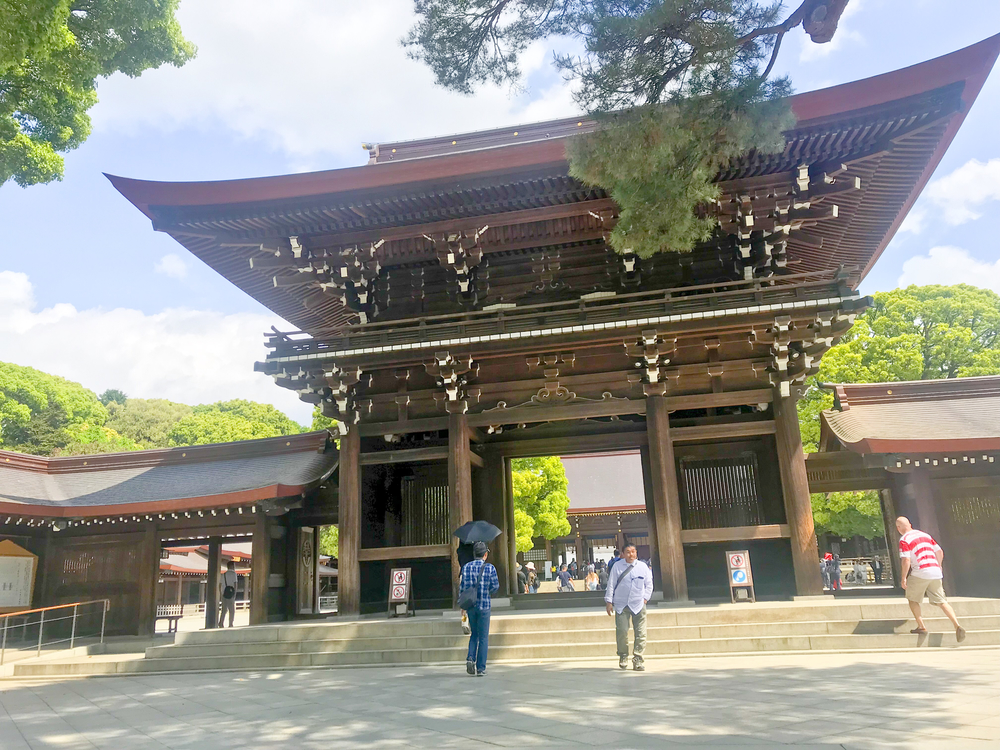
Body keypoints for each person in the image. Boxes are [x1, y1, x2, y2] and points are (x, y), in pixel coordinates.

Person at [896, 516, 966, 642]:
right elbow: (940, 552)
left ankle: (921, 626)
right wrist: (938, 565)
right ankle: (957, 625)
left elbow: (906, 560)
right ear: (910, 524)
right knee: (942, 601)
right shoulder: (925, 535)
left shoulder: (904, 540)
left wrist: (903, 578)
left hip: (920, 572)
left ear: (898, 528)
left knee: (912, 598)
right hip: (935, 571)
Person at [605, 544, 653, 671]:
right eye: (628, 552)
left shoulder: (643, 567)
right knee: (622, 631)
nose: (631, 554)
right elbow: (611, 584)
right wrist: (609, 601)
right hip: (621, 604)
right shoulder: (617, 566)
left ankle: (638, 658)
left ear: (636, 553)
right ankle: (623, 655)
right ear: (622, 554)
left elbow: (649, 584)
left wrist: (645, 598)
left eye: (633, 552)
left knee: (641, 632)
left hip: (638, 603)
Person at [459, 541, 500, 676]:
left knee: (474, 634)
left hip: (470, 606)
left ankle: (470, 658)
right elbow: (495, 587)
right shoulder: (490, 568)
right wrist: (486, 589)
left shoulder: (465, 568)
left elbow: (462, 588)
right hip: (484, 605)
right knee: (483, 637)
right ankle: (481, 668)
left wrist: (462, 606)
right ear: (485, 554)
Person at [218, 560, 238, 628]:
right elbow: (235, 584)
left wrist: (221, 593)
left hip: (224, 594)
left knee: (224, 610)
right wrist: (234, 593)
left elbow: (220, 585)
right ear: (232, 566)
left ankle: (221, 623)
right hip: (231, 594)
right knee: (231, 610)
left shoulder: (223, 574)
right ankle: (230, 623)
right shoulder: (234, 574)